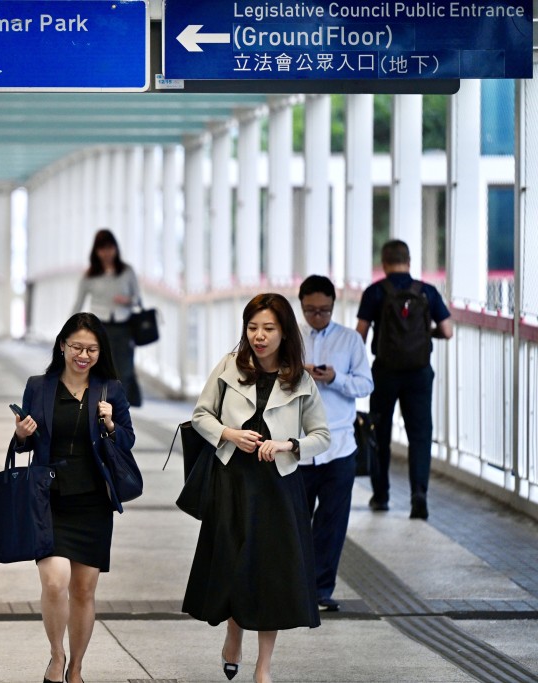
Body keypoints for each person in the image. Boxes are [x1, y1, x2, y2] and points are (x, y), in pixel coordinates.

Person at [184, 293, 330, 683]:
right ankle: (234, 635)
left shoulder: (300, 379)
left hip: (278, 488)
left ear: (284, 333)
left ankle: (263, 667)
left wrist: (287, 445)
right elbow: (200, 416)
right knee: (235, 566)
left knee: (272, 576)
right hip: (232, 482)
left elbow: (321, 436)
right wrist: (229, 433)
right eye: (252, 328)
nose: (259, 336)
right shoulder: (230, 366)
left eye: (268, 328)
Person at [13, 312, 135, 683]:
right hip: (49, 499)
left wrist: (110, 424)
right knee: (54, 582)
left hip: (93, 502)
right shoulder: (39, 386)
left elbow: (127, 440)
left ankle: (76, 668)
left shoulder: (110, 389)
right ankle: (56, 655)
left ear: (100, 352)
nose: (83, 355)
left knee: (83, 590)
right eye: (77, 347)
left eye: (91, 349)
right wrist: (21, 435)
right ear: (62, 346)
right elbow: (26, 445)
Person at [355, 239, 453, 520]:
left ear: (384, 263)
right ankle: (418, 495)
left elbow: (360, 335)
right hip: (419, 374)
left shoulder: (375, 292)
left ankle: (381, 495)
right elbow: (447, 331)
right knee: (419, 435)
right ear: (409, 262)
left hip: (385, 372)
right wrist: (426, 333)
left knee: (380, 433)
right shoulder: (427, 291)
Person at [297, 275, 374, 612]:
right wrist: (298, 373)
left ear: (333, 306)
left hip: (339, 445)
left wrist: (335, 378)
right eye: (311, 310)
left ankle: (320, 590)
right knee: (294, 522)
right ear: (301, 305)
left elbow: (365, 385)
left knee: (332, 523)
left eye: (324, 310)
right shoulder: (289, 338)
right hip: (297, 448)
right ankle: (294, 587)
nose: (318, 316)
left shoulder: (349, 340)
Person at [72, 229, 143, 407]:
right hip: (99, 328)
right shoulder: (90, 275)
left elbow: (138, 299)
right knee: (99, 370)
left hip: (123, 327)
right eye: (102, 249)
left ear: (116, 249)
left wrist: (127, 300)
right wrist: (70, 330)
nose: (107, 253)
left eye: (110, 248)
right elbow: (78, 303)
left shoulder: (127, 271)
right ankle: (99, 408)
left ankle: (119, 410)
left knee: (123, 370)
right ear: (96, 251)